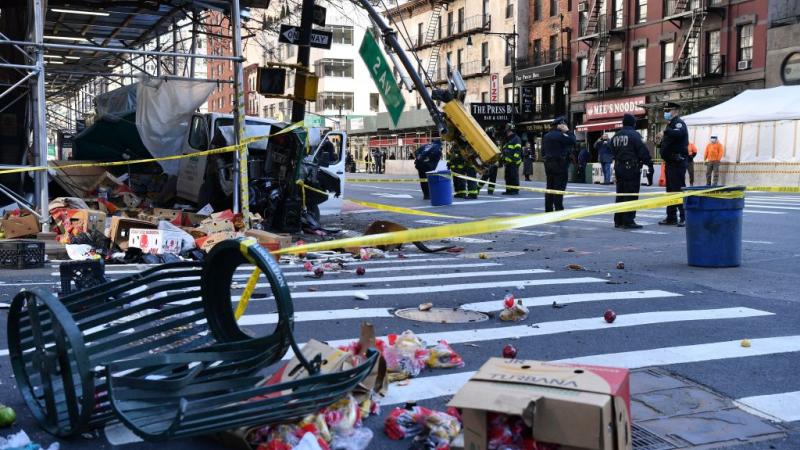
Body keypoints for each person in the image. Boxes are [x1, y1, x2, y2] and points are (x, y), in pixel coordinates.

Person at [611, 113, 654, 229]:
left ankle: (618, 220)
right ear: (633, 123)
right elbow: (643, 152)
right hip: (631, 168)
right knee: (631, 194)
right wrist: (649, 164)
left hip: (619, 167)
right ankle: (628, 220)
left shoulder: (616, 135)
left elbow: (611, 151)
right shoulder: (635, 135)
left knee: (620, 194)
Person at [658, 101, 689, 226]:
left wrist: (665, 132)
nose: (666, 113)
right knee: (670, 190)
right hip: (670, 162)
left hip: (677, 162)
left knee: (678, 189)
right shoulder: (670, 124)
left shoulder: (679, 123)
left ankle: (684, 217)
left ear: (676, 111)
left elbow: (679, 134)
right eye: (665, 110)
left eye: (668, 110)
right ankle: (671, 217)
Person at [542, 116, 577, 211]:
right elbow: (573, 141)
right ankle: (558, 208)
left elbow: (543, 152)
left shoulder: (546, 136)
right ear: (560, 125)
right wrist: (568, 131)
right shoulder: (561, 135)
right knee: (559, 188)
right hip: (560, 165)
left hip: (548, 164)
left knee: (549, 187)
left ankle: (548, 208)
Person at [501, 124, 523, 195]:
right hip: (508, 162)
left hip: (514, 162)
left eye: (508, 131)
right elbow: (504, 150)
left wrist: (514, 160)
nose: (507, 132)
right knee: (507, 176)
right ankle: (509, 190)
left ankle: (515, 190)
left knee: (513, 176)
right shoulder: (507, 139)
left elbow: (517, 150)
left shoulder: (516, 138)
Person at [479, 126, 499, 195]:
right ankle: (487, 190)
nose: (494, 134)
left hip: (491, 162)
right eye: (493, 132)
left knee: (487, 177)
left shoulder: (487, 140)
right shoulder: (491, 141)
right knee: (488, 177)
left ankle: (479, 188)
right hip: (491, 162)